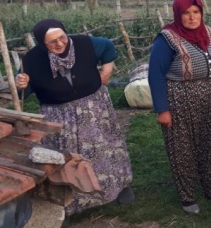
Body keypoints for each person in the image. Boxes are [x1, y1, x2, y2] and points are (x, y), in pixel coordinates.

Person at [15, 19, 134, 218]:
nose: (60, 44)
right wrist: (22, 83)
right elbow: (23, 94)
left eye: (62, 37)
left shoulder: (85, 43)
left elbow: (108, 47)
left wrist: (107, 70)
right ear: (41, 44)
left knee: (106, 147)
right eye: (52, 42)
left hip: (94, 109)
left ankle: (120, 187)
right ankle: (70, 203)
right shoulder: (32, 60)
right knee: (66, 158)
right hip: (59, 115)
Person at [147, 0, 211, 214]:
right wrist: (162, 109)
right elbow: (155, 74)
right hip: (180, 99)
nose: (192, 18)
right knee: (183, 148)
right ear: (178, 15)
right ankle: (188, 196)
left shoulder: (210, 34)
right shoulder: (167, 39)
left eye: (196, 12)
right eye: (186, 13)